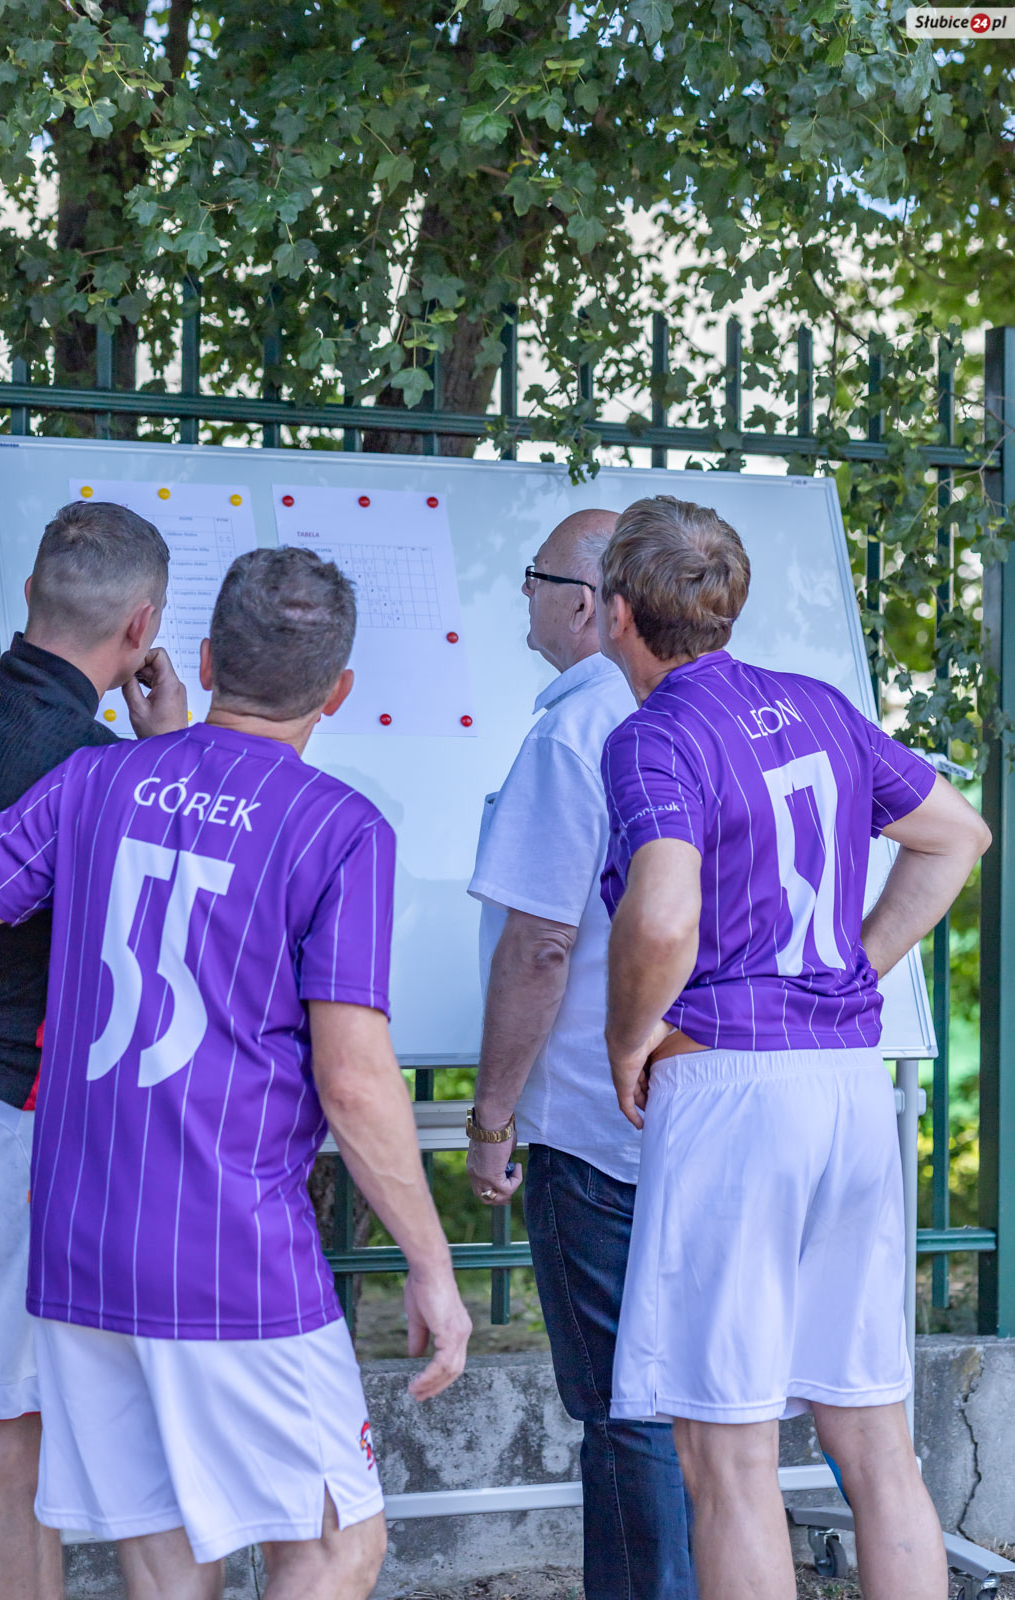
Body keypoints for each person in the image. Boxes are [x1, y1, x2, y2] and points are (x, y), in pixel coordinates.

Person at [0, 545, 472, 1600]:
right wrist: (431, 1262)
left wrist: (165, 759)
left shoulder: (93, 779)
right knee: (335, 1547)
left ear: (203, 659)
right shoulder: (340, 829)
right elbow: (355, 1080)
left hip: (80, 1239)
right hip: (230, 1247)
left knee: (166, 1556)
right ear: (337, 690)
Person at [595, 494, 990, 1600]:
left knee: (725, 1458)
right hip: (845, 1084)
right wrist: (853, 965)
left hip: (731, 1085)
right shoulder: (816, 704)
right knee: (875, 1440)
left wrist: (626, 1038)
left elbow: (662, 915)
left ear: (617, 613)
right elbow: (955, 834)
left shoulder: (653, 736)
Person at [0, 500, 187, 1600]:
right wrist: (169, 754)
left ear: (29, 597)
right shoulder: (104, 773)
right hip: (14, 1123)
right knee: (5, 1444)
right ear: (141, 628)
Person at [465, 509, 696, 1600]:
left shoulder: (574, 733)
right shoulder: (693, 713)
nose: (523, 595)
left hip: (592, 1123)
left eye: (534, 577)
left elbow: (540, 946)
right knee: (686, 1391)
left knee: (619, 1403)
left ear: (588, 604)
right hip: (699, 1102)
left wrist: (489, 1120)